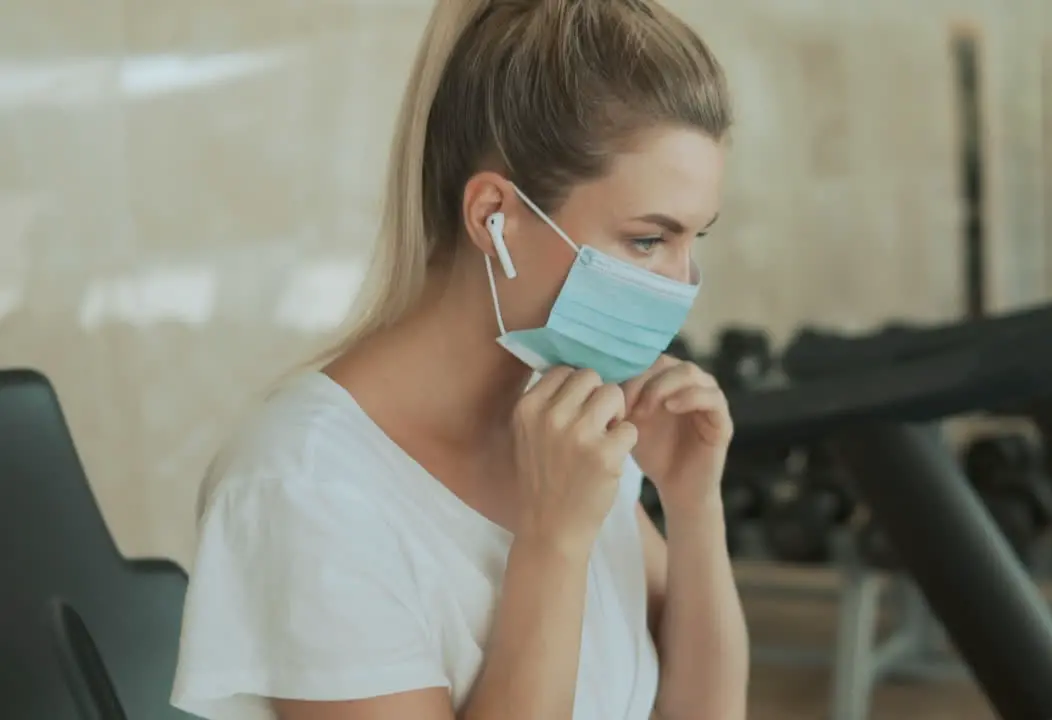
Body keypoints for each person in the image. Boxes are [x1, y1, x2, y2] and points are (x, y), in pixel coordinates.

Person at [169, 0, 749, 718]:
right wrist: (552, 547)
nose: (679, 286)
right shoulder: (305, 486)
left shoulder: (566, 428)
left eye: (695, 240)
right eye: (646, 240)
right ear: (492, 216)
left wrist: (694, 507)